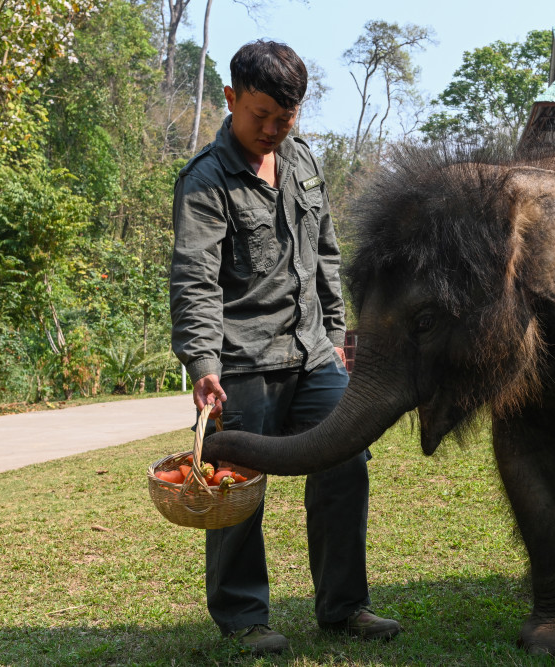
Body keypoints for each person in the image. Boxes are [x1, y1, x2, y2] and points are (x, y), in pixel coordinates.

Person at [169, 39, 400, 655]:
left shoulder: (301, 160)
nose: (272, 129)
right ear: (231, 99)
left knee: (345, 464)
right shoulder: (205, 181)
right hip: (240, 361)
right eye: (260, 115)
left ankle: (345, 606)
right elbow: (195, 279)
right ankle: (245, 616)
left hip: (313, 353)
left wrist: (337, 335)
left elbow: (324, 254)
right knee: (238, 487)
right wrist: (203, 363)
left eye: (285, 117)